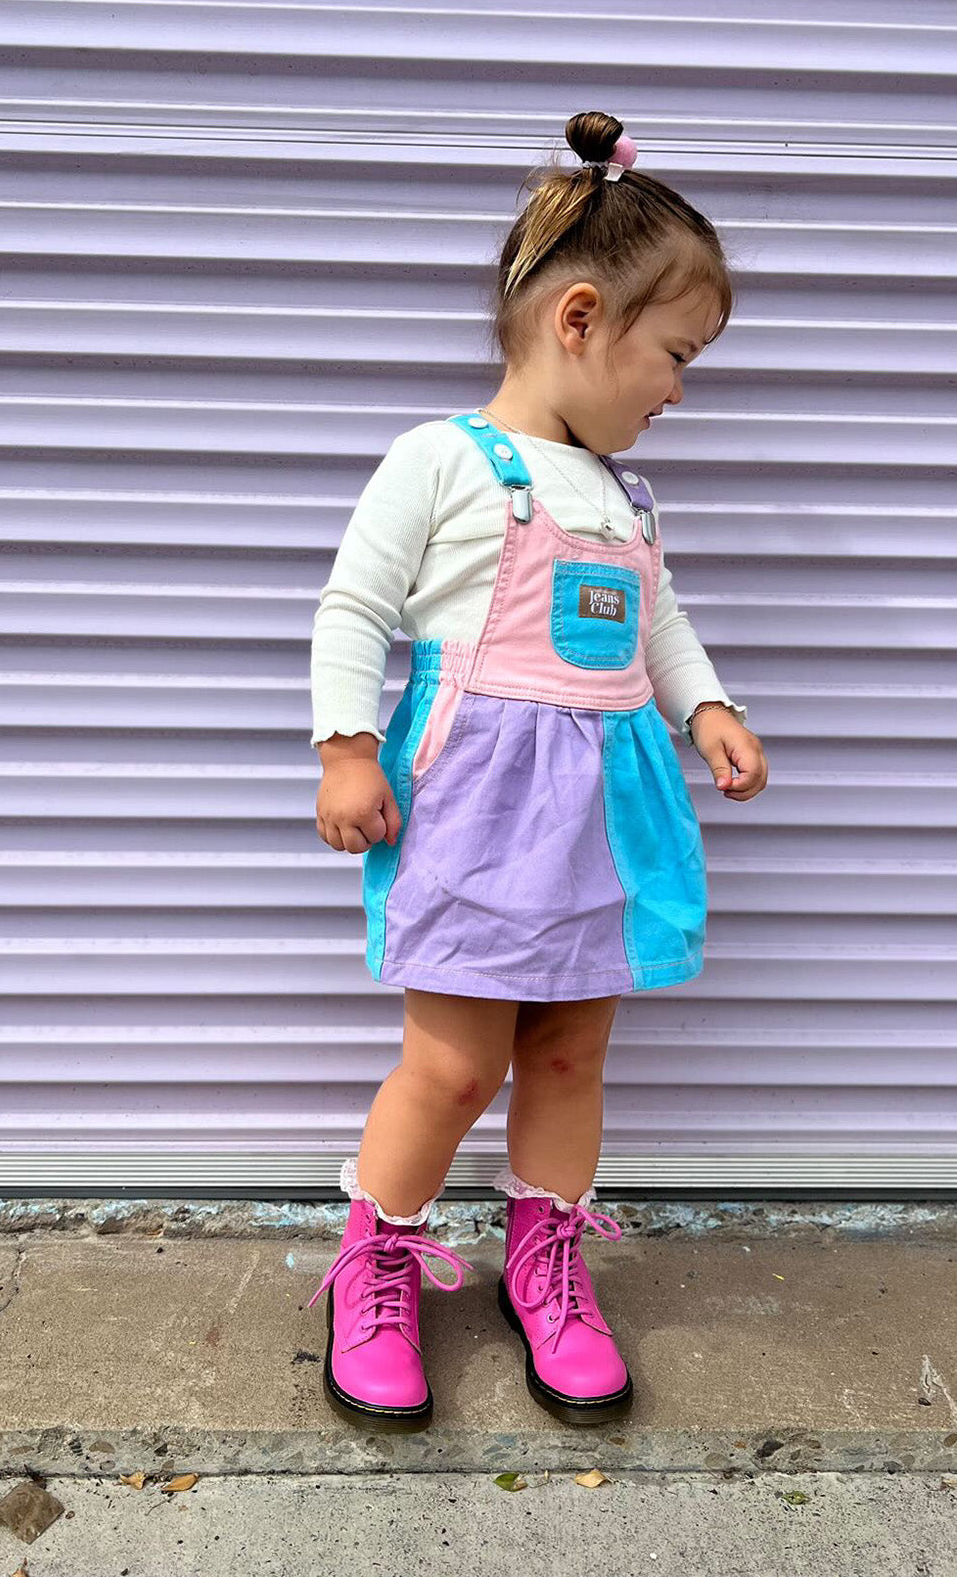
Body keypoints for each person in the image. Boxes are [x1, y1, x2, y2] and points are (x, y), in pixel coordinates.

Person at [304, 110, 769, 1434]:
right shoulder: (445, 462)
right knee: (452, 1066)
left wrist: (708, 708)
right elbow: (354, 610)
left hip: (606, 825)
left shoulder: (626, 503)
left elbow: (659, 622)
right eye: (674, 356)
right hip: (477, 811)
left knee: (570, 1059)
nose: (678, 390)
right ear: (580, 320)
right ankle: (374, 1264)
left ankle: (546, 1263)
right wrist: (345, 747)